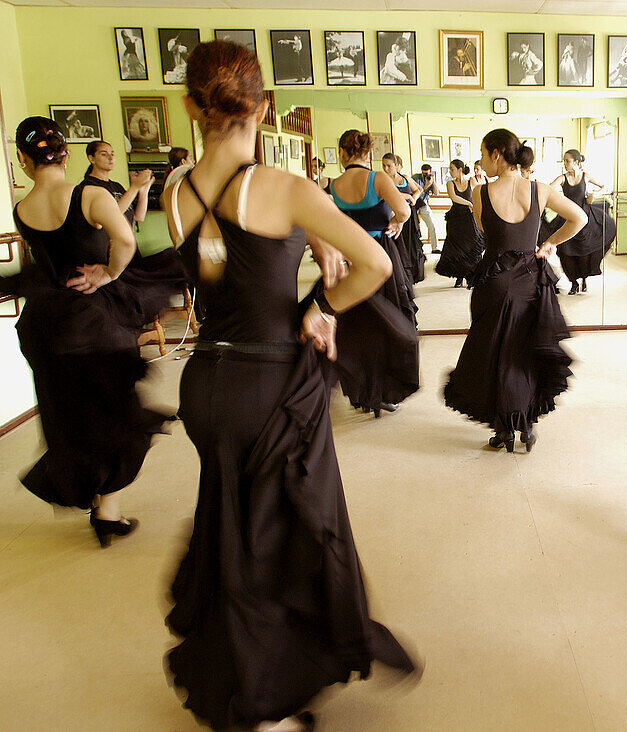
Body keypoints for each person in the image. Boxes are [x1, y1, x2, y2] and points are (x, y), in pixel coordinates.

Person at [162, 40, 415, 730]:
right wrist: (319, 310)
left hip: (205, 385)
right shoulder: (284, 188)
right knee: (276, 539)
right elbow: (375, 265)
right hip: (269, 388)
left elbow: (229, 266)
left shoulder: (174, 190)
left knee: (235, 526)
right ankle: (263, 699)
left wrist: (310, 247)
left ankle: (246, 667)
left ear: (191, 107)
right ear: (264, 106)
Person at [2, 116, 179, 546]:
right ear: (64, 153)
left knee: (75, 419)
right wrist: (107, 273)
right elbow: (127, 241)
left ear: (24, 161)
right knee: (119, 416)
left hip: (47, 328)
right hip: (94, 324)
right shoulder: (91, 195)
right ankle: (107, 511)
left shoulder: (22, 208)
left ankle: (101, 507)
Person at [444, 129, 586, 452]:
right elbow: (578, 218)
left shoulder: (480, 193)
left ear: (496, 154)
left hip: (494, 281)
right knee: (524, 352)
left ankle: (504, 428)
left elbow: (483, 228)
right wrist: (549, 243)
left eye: (482, 154)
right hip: (530, 281)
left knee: (496, 354)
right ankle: (526, 424)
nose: (480, 161)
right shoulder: (540, 189)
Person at [327, 128, 418, 417]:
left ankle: (363, 390)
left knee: (358, 323)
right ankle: (383, 390)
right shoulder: (377, 178)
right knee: (389, 318)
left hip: (351, 255)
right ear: (368, 154)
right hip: (379, 251)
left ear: (342, 153)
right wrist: (395, 222)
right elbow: (404, 211)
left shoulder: (334, 184)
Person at [548, 149, 616, 295]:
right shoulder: (562, 178)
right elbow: (549, 189)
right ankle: (573, 283)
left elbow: (605, 186)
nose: (565, 163)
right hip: (567, 220)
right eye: (564, 160)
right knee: (566, 254)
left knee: (584, 254)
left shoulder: (586, 176)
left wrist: (594, 194)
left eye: (567, 161)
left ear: (576, 163)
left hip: (586, 221)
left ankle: (584, 279)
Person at [436, 158, 485, 288]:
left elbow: (478, 196)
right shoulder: (450, 184)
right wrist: (469, 203)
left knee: (472, 246)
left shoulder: (472, 181)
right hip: (456, 219)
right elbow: (454, 197)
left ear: (460, 169)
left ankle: (473, 276)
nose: (450, 172)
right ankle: (459, 277)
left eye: (452, 169)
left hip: (469, 218)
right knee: (457, 249)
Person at [84, 140, 152, 225]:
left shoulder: (117, 186)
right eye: (104, 154)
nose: (111, 158)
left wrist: (143, 191)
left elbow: (138, 217)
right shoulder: (89, 187)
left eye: (112, 154)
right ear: (92, 159)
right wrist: (134, 187)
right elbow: (112, 216)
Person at [382, 153, 425, 283]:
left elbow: (419, 190)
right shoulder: (383, 180)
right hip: (393, 214)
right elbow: (387, 194)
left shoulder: (405, 177)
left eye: (389, 165)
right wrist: (407, 196)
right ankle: (400, 277)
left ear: (396, 166)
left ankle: (412, 274)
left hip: (408, 214)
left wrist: (414, 198)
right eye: (383, 165)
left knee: (411, 244)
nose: (386, 168)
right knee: (398, 245)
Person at [412, 163, 440, 253]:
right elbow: (415, 194)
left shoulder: (430, 179)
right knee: (414, 226)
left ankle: (435, 248)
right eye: (424, 174)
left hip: (423, 204)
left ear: (430, 172)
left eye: (427, 173)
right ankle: (414, 248)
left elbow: (436, 193)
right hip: (414, 203)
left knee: (432, 224)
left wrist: (433, 182)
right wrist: (425, 187)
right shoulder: (415, 178)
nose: (425, 175)